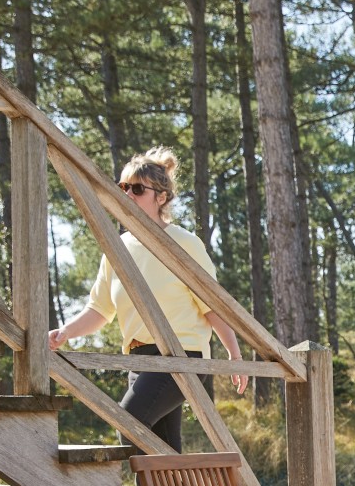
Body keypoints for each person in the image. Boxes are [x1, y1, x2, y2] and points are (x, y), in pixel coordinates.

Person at [48, 147, 248, 452]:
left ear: (161, 197)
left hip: (181, 359)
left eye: (138, 189)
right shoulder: (116, 247)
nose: (127, 194)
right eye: (123, 187)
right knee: (165, 452)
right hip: (138, 362)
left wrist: (235, 356)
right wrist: (65, 332)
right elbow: (100, 309)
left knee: (128, 424)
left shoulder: (184, 244)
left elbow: (213, 306)